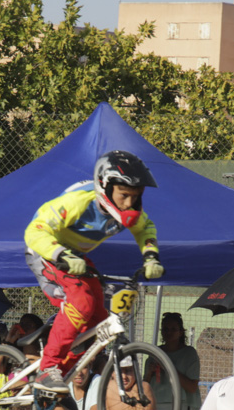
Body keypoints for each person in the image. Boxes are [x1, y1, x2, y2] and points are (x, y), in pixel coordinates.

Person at [23, 150, 164, 394]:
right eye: (124, 196)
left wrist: (150, 257)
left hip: (75, 256)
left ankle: (59, 382)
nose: (130, 203)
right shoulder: (78, 203)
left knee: (99, 319)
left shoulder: (127, 210)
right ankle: (48, 368)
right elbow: (34, 232)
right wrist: (61, 255)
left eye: (136, 196)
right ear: (105, 188)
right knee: (82, 303)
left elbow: (145, 227)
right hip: (46, 251)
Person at [155, 312, 201, 410]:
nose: (169, 333)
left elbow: (192, 387)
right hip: (155, 409)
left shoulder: (189, 354)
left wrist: (169, 368)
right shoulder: (155, 352)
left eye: (173, 329)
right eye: (165, 329)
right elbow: (146, 384)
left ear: (181, 332)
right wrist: (150, 373)